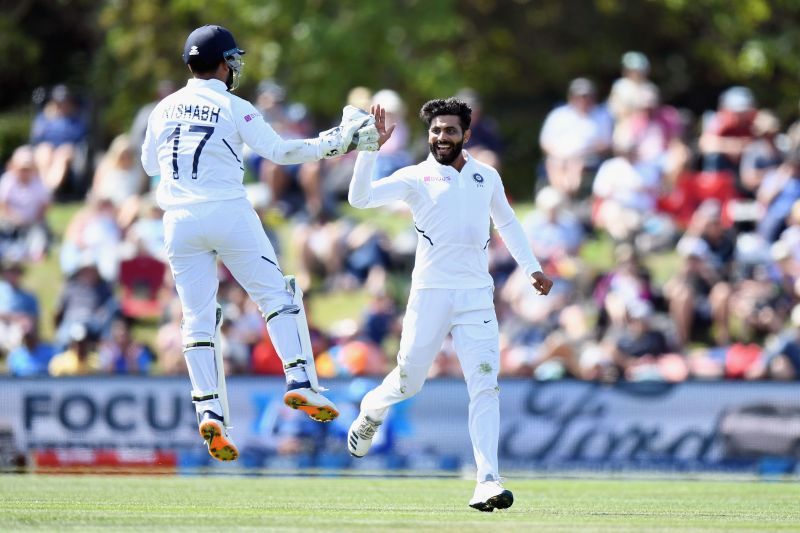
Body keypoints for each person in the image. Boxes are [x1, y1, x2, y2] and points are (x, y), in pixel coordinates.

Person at [140, 24, 379, 462]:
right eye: (232, 59)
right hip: (228, 212)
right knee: (277, 295)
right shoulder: (234, 105)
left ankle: (209, 409)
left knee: (197, 317)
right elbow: (283, 153)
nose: (236, 67)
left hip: (177, 220)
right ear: (222, 63)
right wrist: (340, 142)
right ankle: (300, 381)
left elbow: (149, 164)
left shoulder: (163, 109)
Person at [346, 98, 553, 511]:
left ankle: (487, 481)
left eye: (450, 131)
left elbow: (507, 222)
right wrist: (370, 149)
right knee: (410, 382)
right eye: (436, 131)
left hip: (476, 295)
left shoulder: (485, 176)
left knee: (484, 385)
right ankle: (372, 407)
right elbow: (359, 198)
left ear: (466, 135)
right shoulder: (415, 176)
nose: (442, 137)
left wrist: (531, 268)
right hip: (430, 294)